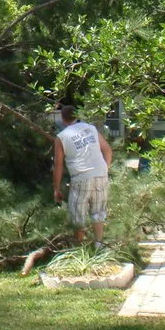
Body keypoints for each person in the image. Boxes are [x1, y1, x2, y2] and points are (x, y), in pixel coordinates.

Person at [53, 104, 113, 248]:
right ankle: (99, 245)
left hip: (81, 177)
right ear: (77, 116)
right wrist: (105, 168)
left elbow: (58, 165)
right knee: (98, 211)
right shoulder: (90, 129)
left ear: (63, 118)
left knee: (78, 214)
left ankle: (79, 249)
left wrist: (56, 188)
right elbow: (108, 150)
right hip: (100, 174)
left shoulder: (61, 137)